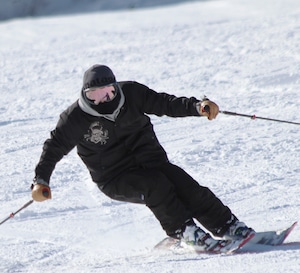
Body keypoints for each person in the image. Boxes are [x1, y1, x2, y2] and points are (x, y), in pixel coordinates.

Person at [31, 64, 254, 253]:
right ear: (85, 94)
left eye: (107, 92)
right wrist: (41, 180)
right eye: (94, 95)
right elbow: (53, 148)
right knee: (155, 186)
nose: (102, 100)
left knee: (185, 185)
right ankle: (184, 231)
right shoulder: (75, 118)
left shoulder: (132, 94)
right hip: (114, 177)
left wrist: (197, 107)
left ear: (116, 88)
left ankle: (229, 226)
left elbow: (165, 103)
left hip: (152, 161)